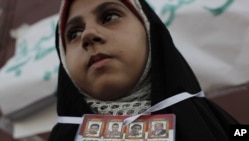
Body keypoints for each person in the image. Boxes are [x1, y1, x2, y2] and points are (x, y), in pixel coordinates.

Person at [48, 0, 239, 141]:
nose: (88, 35)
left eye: (110, 17)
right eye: (74, 33)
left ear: (150, 32)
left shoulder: (220, 128)